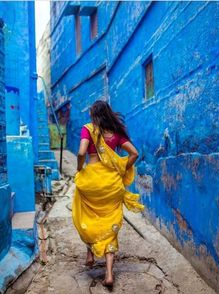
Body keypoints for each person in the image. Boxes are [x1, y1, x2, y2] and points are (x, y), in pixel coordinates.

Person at [72, 100, 144, 288]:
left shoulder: (88, 129)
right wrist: (121, 168)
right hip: (111, 184)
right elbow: (134, 154)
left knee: (86, 216)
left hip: (92, 182)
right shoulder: (116, 134)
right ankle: (109, 274)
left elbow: (81, 153)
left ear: (94, 114)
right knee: (109, 222)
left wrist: (80, 169)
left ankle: (89, 252)